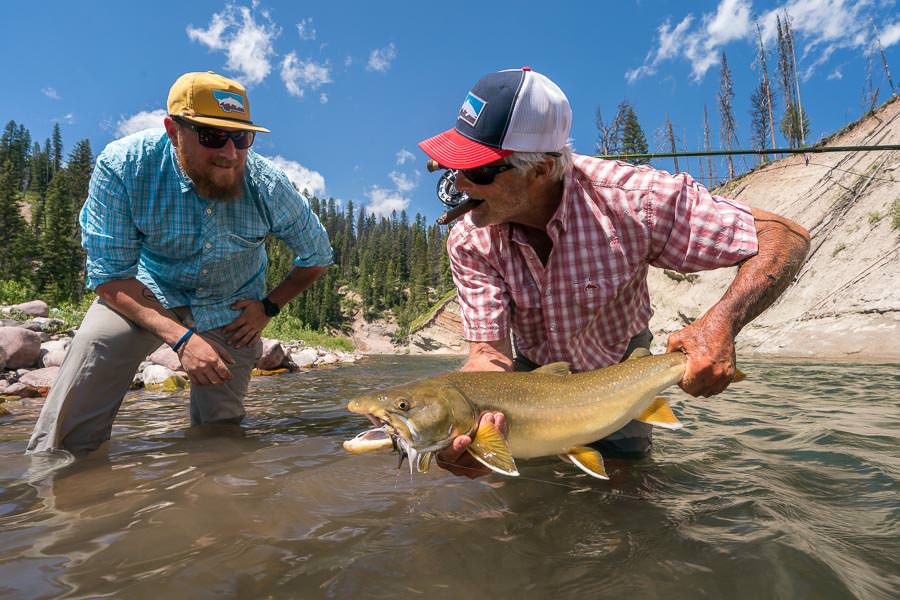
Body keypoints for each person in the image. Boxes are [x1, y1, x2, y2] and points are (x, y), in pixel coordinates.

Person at [418, 67, 810, 477]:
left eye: (477, 171)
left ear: (538, 171)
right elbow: (489, 355)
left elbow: (784, 238)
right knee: (523, 509)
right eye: (450, 166)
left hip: (624, 371)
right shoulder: (469, 239)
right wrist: (463, 424)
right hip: (529, 385)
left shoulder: (635, 200)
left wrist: (721, 324)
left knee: (628, 500)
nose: (458, 184)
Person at [27, 71, 333, 456]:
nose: (230, 153)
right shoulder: (124, 167)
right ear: (174, 131)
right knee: (97, 344)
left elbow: (318, 256)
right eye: (212, 136)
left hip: (231, 307)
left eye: (241, 137)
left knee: (221, 438)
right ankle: (57, 473)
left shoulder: (269, 186)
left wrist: (268, 308)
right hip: (148, 291)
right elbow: (109, 276)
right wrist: (183, 338)